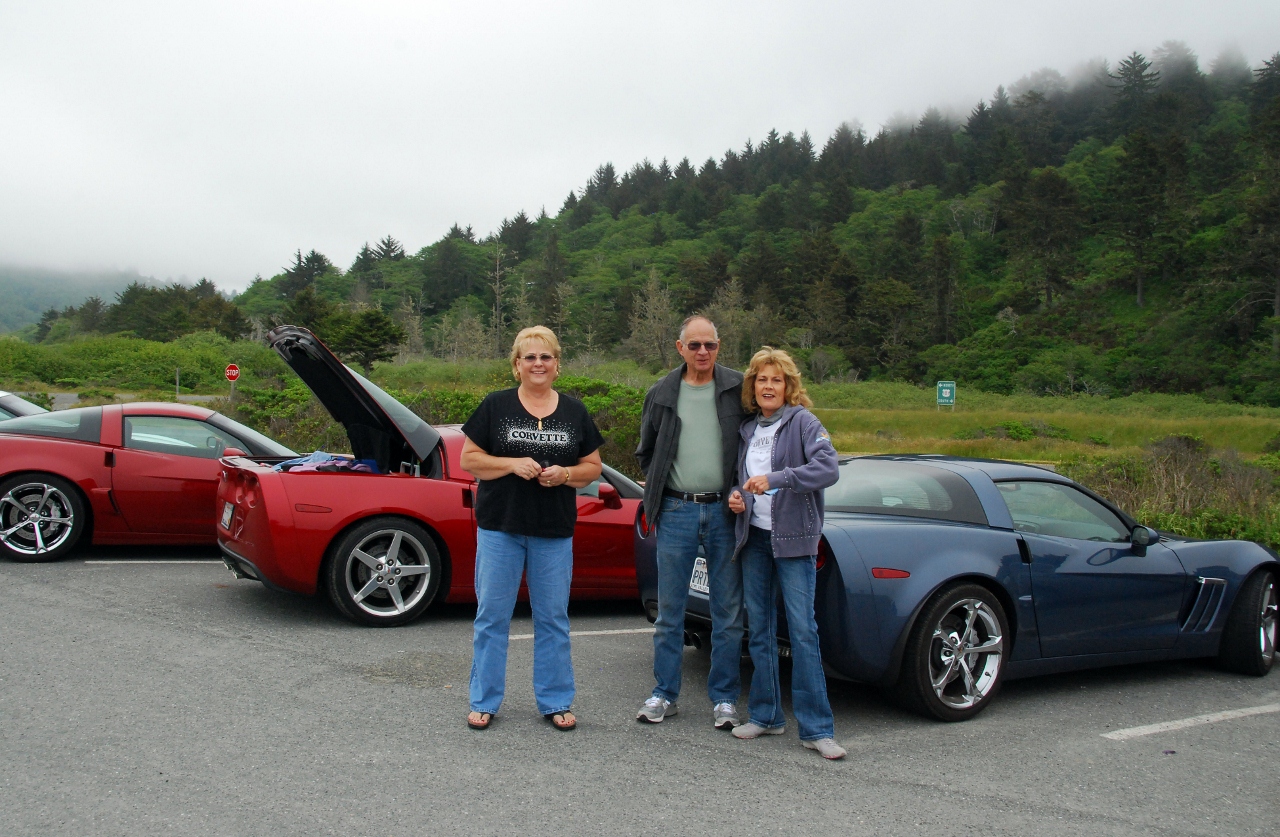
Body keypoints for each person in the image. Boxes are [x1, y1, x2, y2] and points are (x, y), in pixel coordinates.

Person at [460, 326, 604, 732]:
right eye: (529, 358)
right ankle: (484, 700)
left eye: (546, 357)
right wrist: (509, 463)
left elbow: (592, 468)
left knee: (553, 619)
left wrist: (567, 474)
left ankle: (556, 701)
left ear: (557, 365)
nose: (538, 364)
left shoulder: (574, 412)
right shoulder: (495, 406)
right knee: (492, 617)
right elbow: (469, 459)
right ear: (516, 366)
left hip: (553, 532)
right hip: (500, 529)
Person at [726, 347, 845, 759]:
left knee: (802, 631)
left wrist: (777, 479)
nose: (768, 386)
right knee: (758, 630)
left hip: (794, 541)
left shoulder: (805, 423)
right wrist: (738, 497)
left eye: (777, 380)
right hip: (754, 540)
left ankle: (817, 728)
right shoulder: (747, 430)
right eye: (762, 379)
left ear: (789, 386)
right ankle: (766, 716)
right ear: (752, 386)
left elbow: (828, 469)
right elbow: (743, 482)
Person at [634, 315, 746, 728]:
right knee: (670, 613)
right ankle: (664, 694)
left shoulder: (738, 389)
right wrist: (657, 492)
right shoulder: (662, 392)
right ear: (679, 348)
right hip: (677, 510)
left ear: (719, 346)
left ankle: (725, 699)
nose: (703, 352)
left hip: (725, 512)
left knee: (728, 612)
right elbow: (646, 450)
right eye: (694, 345)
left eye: (710, 345)